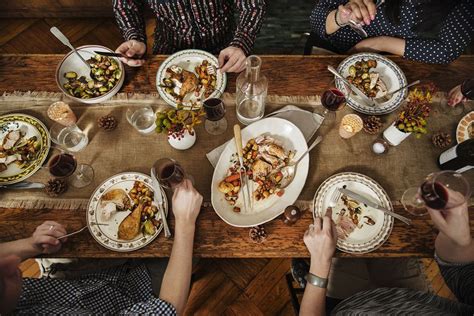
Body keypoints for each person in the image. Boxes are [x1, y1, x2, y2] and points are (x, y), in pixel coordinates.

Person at [0, 179, 203, 315]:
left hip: (82, 278)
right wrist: (186, 222)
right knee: (195, 245)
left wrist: (32, 245)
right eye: (2, 279)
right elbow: (166, 308)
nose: (12, 260)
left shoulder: (6, 268)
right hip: (139, 294)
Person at [298, 195, 474, 315]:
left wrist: (320, 263)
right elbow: (463, 273)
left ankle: (303, 272)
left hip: (342, 302)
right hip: (407, 294)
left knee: (338, 250)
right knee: (387, 235)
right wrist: (459, 240)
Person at [112, 0, 266, 72]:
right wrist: (135, 37)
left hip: (225, 50)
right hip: (169, 49)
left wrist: (241, 43)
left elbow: (253, 6)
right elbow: (124, 5)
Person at [310, 0, 474, 64]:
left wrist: (380, 43)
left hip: (372, 61)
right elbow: (316, 17)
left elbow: (447, 51)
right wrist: (341, 17)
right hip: (326, 48)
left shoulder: (463, 5)